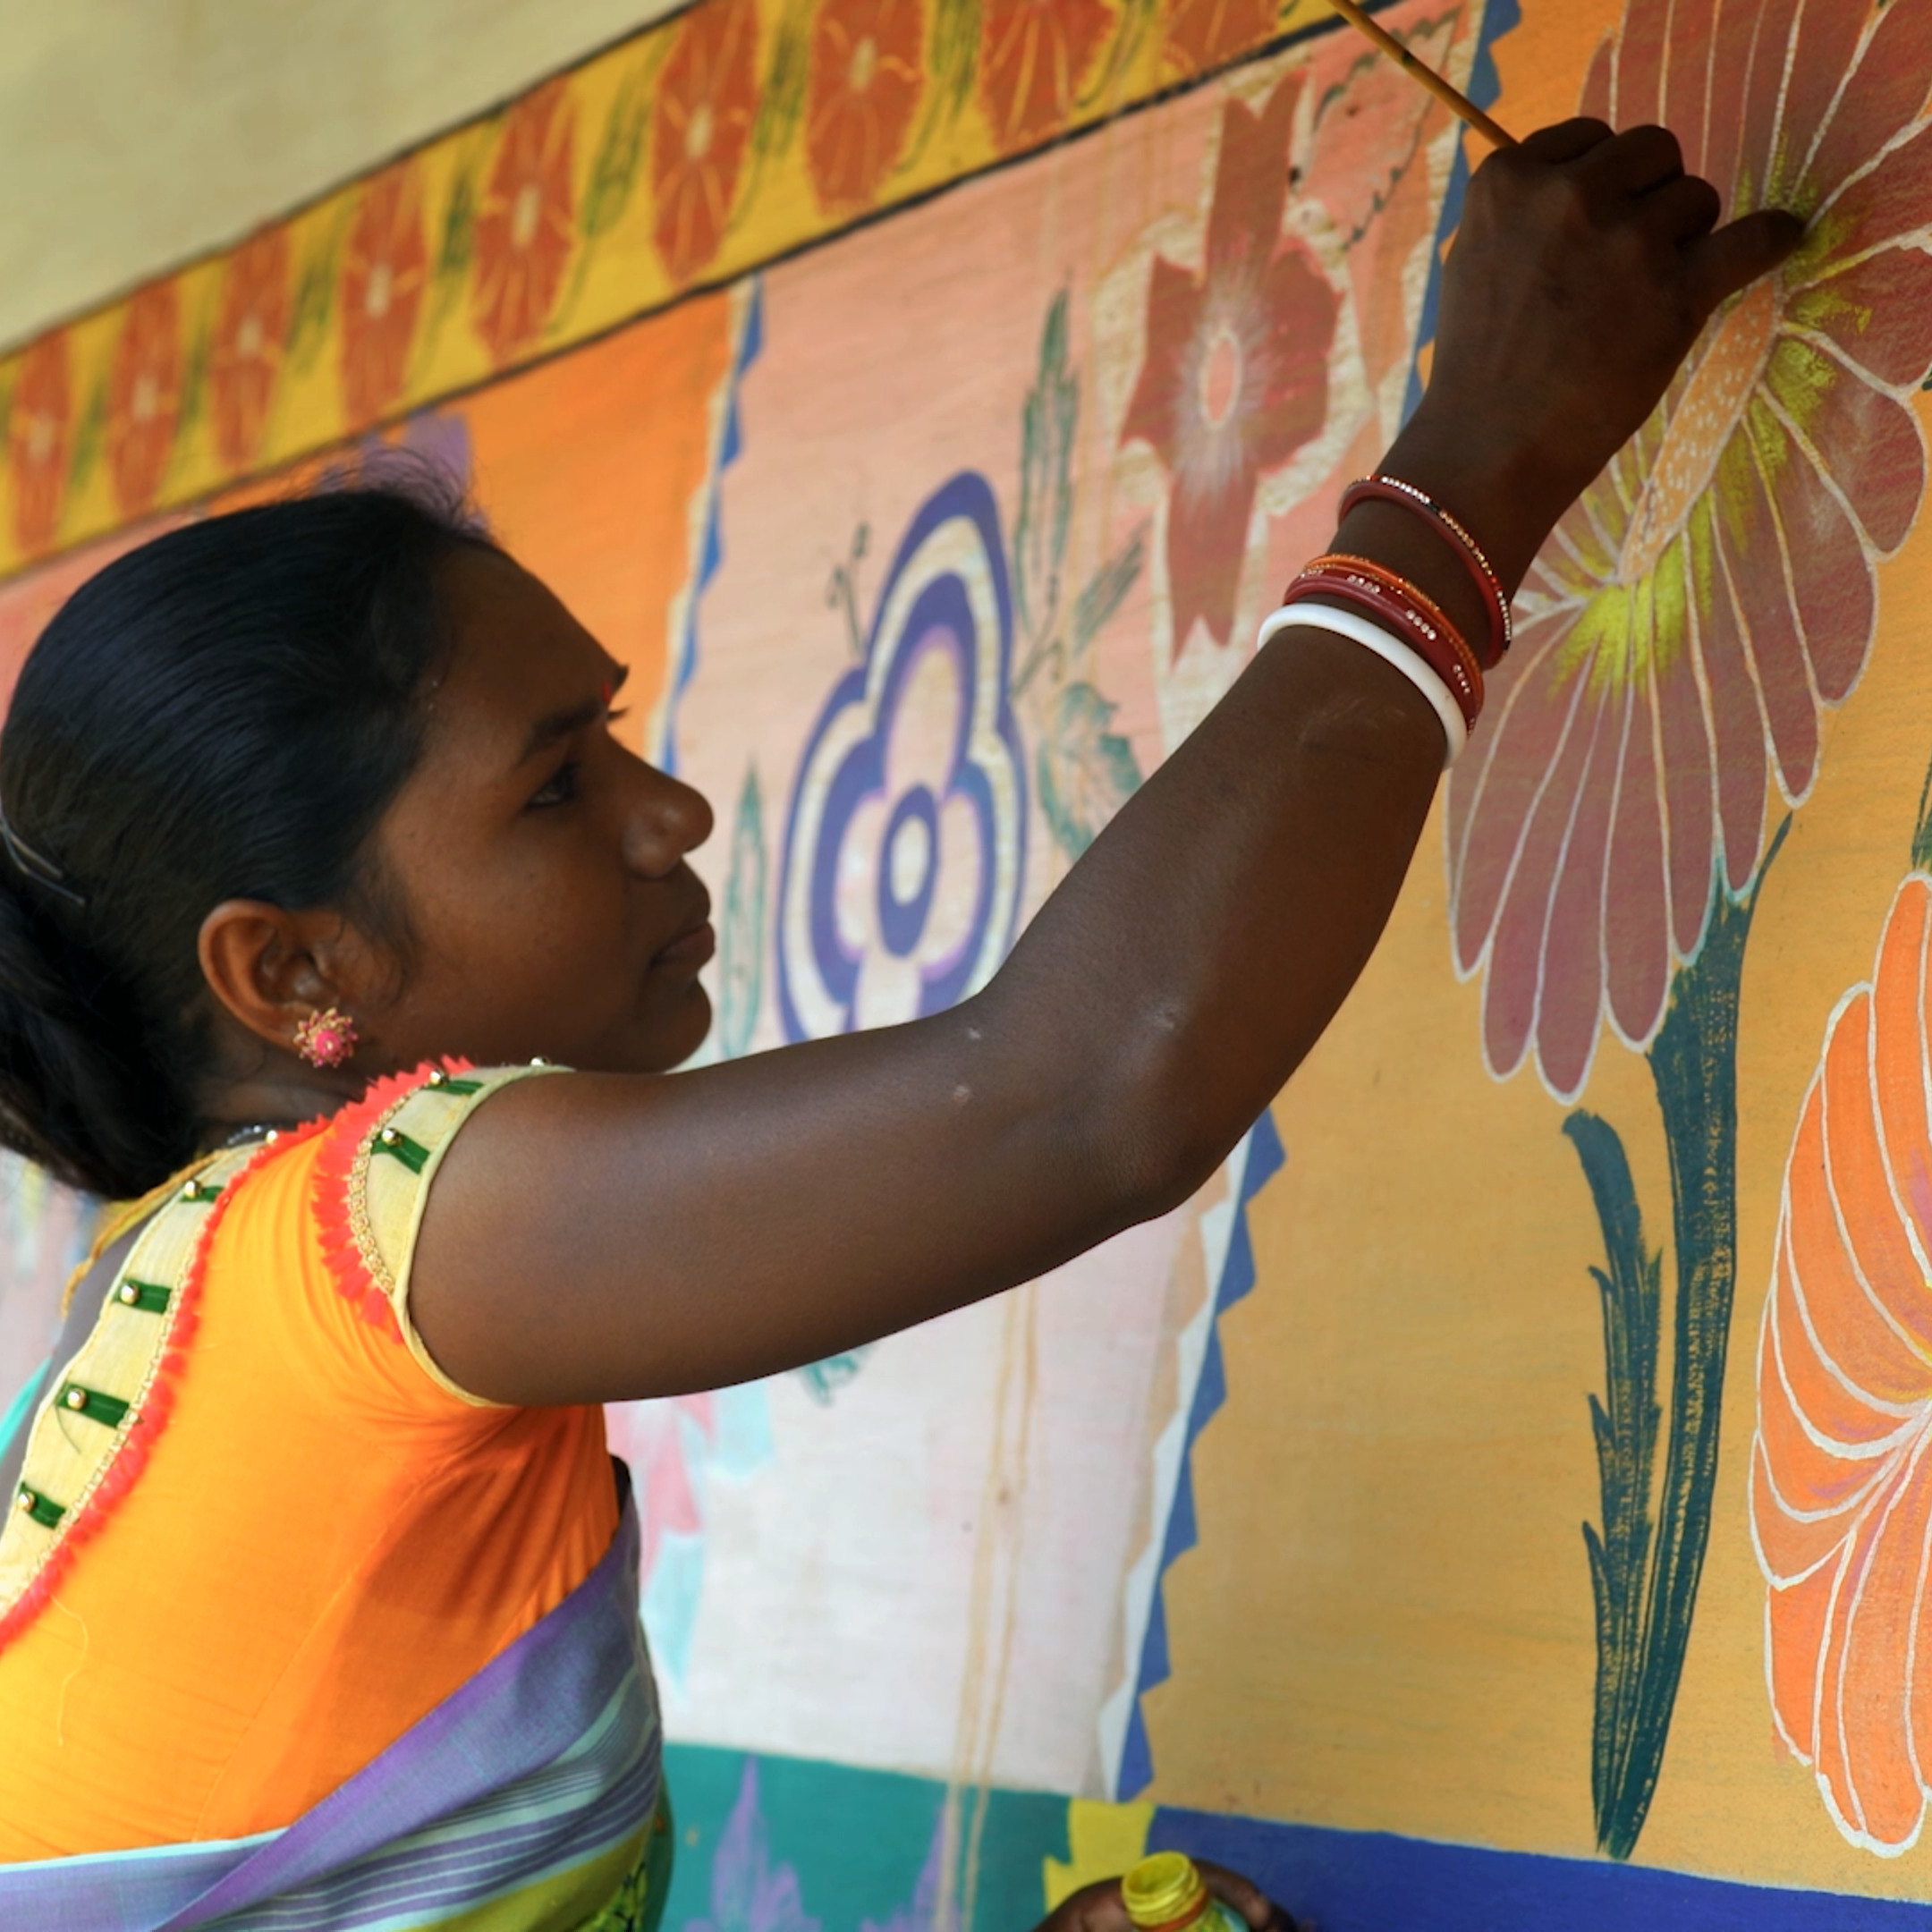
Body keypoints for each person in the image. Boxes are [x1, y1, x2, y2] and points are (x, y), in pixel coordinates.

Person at [0, 117, 1796, 1930]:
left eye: (614, 735)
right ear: (293, 973)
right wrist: (1474, 470)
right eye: (555, 788)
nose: (669, 816)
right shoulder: (368, 1235)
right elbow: (1083, 1097)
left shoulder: (181, 1322)